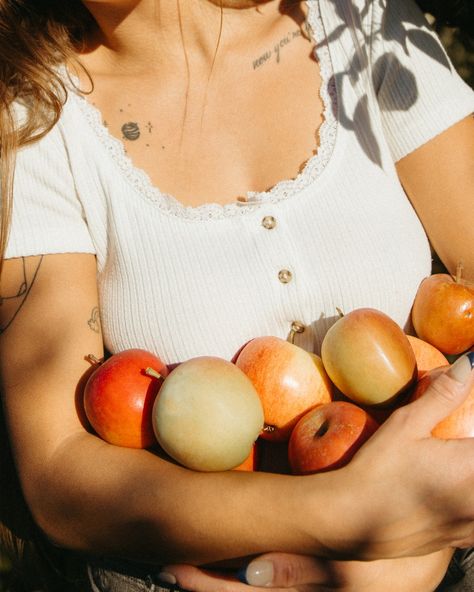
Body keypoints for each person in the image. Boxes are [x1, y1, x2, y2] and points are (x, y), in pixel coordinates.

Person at [0, 0, 473, 591]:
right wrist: (347, 520)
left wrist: (434, 533)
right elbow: (59, 476)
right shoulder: (34, 120)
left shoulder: (362, 22)